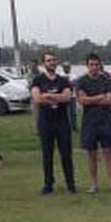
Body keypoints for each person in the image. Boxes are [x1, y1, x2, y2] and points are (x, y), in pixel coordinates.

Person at [75, 52, 111, 194]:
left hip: (106, 121)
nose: (94, 67)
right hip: (89, 122)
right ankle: (94, 184)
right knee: (91, 154)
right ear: (87, 66)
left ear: (100, 65)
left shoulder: (106, 80)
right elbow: (82, 100)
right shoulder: (81, 81)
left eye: (96, 64)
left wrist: (92, 99)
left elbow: (110, 100)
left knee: (109, 152)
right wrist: (100, 97)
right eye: (91, 65)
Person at [30, 51, 76, 195]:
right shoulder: (38, 80)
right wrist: (58, 97)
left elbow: (67, 97)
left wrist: (49, 95)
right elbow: (37, 99)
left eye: (54, 60)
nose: (52, 63)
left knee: (66, 154)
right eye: (49, 60)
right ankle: (48, 184)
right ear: (44, 63)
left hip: (62, 122)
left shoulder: (63, 80)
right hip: (45, 122)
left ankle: (70, 184)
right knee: (47, 154)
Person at [60, 61, 78, 131]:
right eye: (65, 67)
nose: (67, 69)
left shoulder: (73, 75)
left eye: (68, 67)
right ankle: (68, 127)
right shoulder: (61, 75)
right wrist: (69, 83)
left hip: (73, 96)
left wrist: (70, 83)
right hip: (64, 97)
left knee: (73, 112)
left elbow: (75, 84)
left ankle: (74, 126)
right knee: (66, 113)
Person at [25, 58, 40, 134]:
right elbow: (31, 85)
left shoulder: (41, 73)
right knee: (36, 115)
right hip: (34, 97)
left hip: (42, 96)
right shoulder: (29, 75)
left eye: (34, 65)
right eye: (31, 65)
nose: (32, 66)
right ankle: (37, 130)